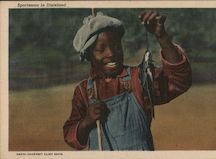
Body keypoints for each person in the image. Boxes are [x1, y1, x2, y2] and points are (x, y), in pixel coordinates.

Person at [63, 10, 192, 150]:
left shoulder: (139, 79)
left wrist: (161, 37)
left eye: (116, 46)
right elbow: (71, 137)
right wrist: (87, 121)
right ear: (88, 56)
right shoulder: (83, 92)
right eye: (101, 49)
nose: (111, 53)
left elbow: (179, 81)